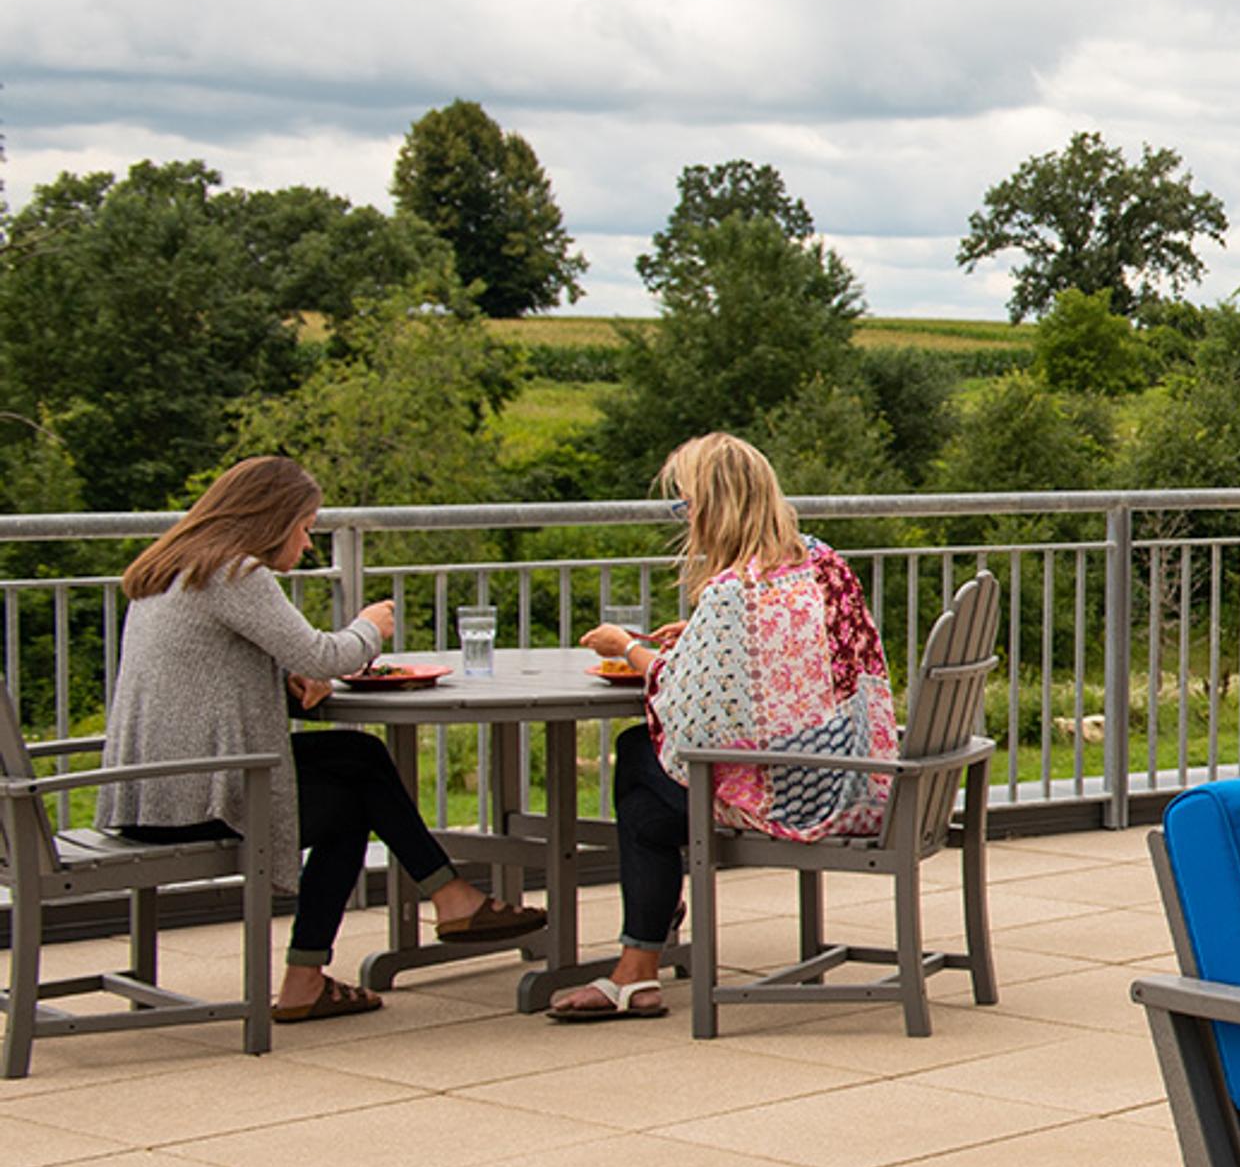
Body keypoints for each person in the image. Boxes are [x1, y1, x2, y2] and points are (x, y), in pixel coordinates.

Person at [100, 458, 542, 1022]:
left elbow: (205, 677)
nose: (308, 543)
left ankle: (443, 901)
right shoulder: (233, 573)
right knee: (350, 804)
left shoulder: (173, 570)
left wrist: (285, 683)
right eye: (306, 526)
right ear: (273, 519)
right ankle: (389, 932)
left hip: (153, 791)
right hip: (195, 799)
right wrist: (370, 627)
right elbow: (323, 655)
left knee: (358, 756)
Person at [553, 433, 898, 1021]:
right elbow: (780, 667)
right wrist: (695, 639)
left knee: (639, 767)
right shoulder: (822, 561)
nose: (683, 517)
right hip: (863, 775)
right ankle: (642, 958)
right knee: (645, 783)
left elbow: (693, 715)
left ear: (712, 506)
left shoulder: (732, 590)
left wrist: (627, 648)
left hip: (797, 797)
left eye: (684, 504)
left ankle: (638, 964)